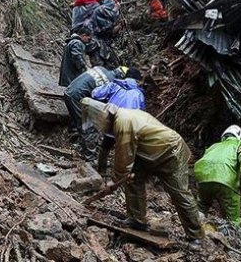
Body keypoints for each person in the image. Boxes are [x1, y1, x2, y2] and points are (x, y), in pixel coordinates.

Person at [81, 98, 204, 246]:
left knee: (179, 193)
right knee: (133, 179)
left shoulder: (123, 122)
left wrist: (114, 180)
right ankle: (137, 220)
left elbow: (124, 156)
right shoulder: (122, 117)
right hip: (149, 152)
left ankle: (196, 235)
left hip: (170, 152)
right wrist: (121, 176)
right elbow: (125, 157)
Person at [193, 125, 241, 228]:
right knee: (233, 218)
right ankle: (232, 237)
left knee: (201, 206)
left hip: (203, 178)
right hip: (226, 179)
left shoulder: (214, 146)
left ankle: (195, 230)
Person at [63, 66, 130, 159]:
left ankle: (75, 140)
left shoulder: (101, 68)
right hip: (76, 97)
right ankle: (89, 156)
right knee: (87, 125)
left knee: (79, 120)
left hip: (69, 90)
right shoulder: (111, 83)